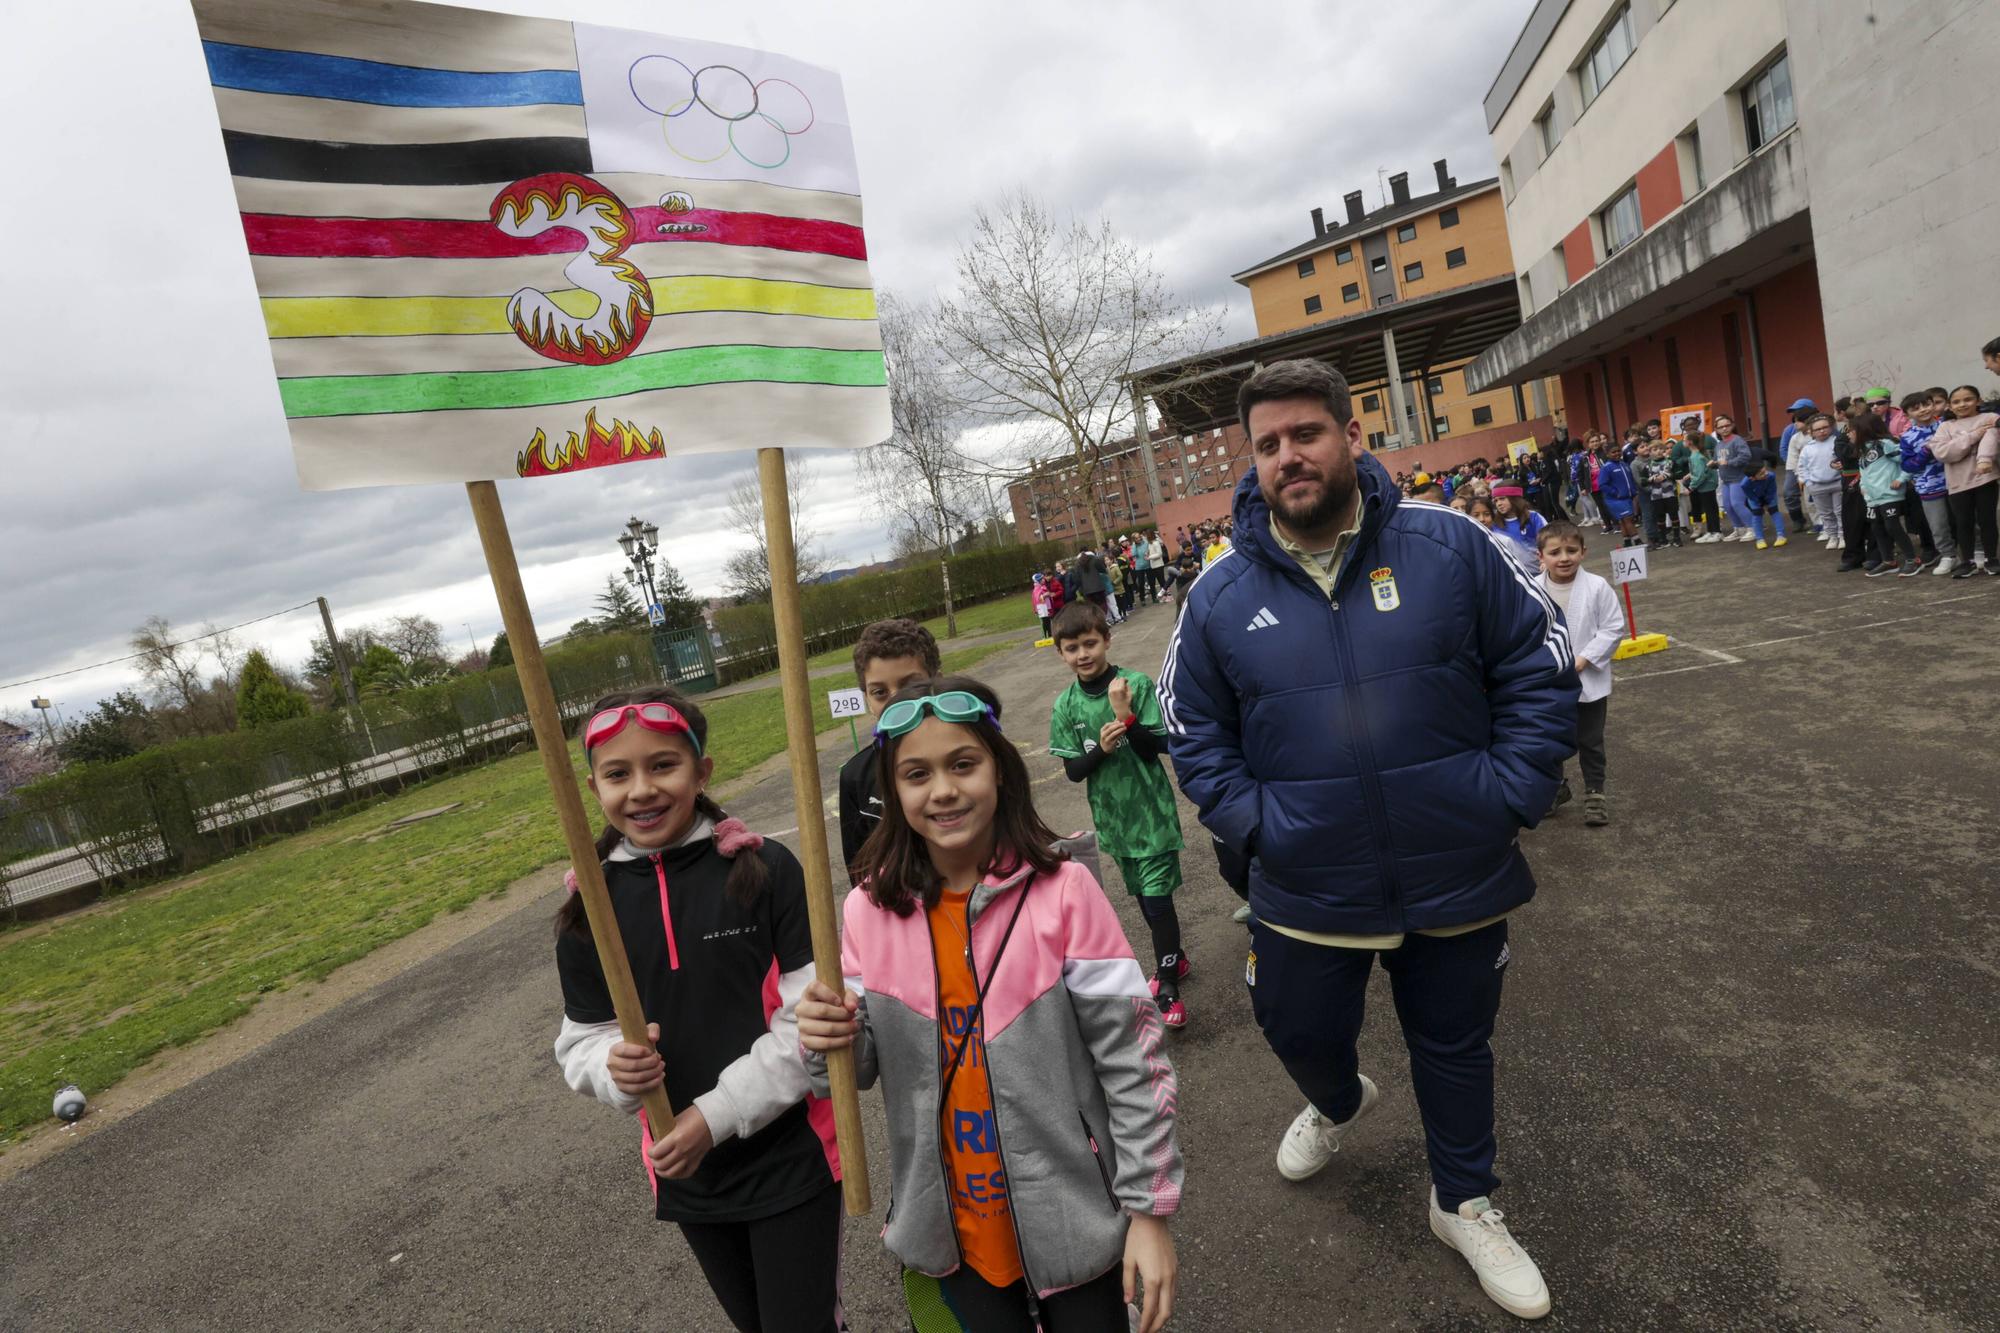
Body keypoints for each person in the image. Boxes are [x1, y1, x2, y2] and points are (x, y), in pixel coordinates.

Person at [1161, 359, 1573, 1321]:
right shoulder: (1218, 596)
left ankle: (1462, 1199)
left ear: (1351, 434)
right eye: (1267, 445)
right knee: (1296, 1024)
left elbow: (1539, 658)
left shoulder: (1451, 542)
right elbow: (1193, 730)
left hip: (1456, 865)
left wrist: (1509, 790)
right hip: (1309, 883)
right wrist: (1263, 827)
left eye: (1305, 433)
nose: (1288, 457)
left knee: (1456, 1044)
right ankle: (1340, 1099)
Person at [796, 677, 1182, 1333]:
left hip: (1078, 1219)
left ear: (1000, 771)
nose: (942, 788)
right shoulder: (866, 909)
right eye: (917, 773)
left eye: (963, 763)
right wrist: (818, 1034)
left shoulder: (1065, 893)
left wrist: (1148, 1210)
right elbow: (850, 1065)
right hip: (948, 1234)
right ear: (894, 792)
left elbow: (1134, 1061)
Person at [553, 688, 844, 1333]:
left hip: (791, 1153)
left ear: (702, 771)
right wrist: (611, 1067)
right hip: (686, 1171)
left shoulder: (765, 868)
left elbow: (809, 1021)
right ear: (593, 787)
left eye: (664, 765)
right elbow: (581, 1040)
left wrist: (714, 1116)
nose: (642, 790)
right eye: (617, 774)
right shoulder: (588, 906)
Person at [1047, 600, 1189, 1027]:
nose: (1083, 654)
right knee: (1145, 900)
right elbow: (1074, 772)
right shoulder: (1066, 706)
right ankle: (1175, 959)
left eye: (1090, 643)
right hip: (1114, 820)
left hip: (1152, 814)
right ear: (1061, 653)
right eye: (1072, 648)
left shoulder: (1135, 685)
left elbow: (1160, 746)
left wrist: (1126, 717)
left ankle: (1168, 989)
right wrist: (1102, 750)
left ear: (1107, 639)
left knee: (1158, 901)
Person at [1533, 523, 1621, 827]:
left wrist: (1583, 659)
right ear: (1540, 556)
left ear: (1583, 552)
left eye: (1571, 550)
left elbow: (1612, 628)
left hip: (1588, 680)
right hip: (1547, 681)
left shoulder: (1596, 587)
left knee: (1590, 740)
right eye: (1554, 552)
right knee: (1549, 739)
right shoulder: (1531, 590)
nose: (1564, 557)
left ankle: (1595, 794)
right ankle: (1557, 788)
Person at [838, 618, 942, 878]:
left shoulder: (973, 754)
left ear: (937, 682)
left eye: (910, 685)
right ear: (867, 698)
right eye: (880, 692)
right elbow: (860, 870)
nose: (896, 701)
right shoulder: (855, 776)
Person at [1931, 385, 2000, 578]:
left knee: (1987, 521)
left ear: (1978, 401)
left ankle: (1991, 559)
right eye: (1956, 401)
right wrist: (1974, 436)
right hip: (1957, 482)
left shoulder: (1990, 419)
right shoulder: (1946, 427)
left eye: (1968, 399)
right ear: (1950, 406)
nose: (1962, 404)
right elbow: (1943, 453)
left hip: (1986, 478)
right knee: (1963, 522)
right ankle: (1967, 561)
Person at [1855, 409, 1921, 577]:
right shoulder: (1862, 451)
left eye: (1852, 430)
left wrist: (1902, 478)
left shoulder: (1886, 444)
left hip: (1890, 494)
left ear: (1865, 430)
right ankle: (1888, 561)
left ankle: (1913, 560)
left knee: (1893, 527)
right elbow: (1864, 472)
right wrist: (1863, 487)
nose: (1849, 434)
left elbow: (1906, 460)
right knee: (1877, 529)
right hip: (1872, 498)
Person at [1896, 391, 1955, 575]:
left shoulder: (1948, 426)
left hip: (1957, 481)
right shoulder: (1907, 437)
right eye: (1916, 408)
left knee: (1968, 520)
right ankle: (1948, 556)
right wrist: (1925, 451)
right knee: (1938, 526)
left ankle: (1978, 552)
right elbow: (1907, 465)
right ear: (1907, 415)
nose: (1923, 410)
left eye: (1927, 404)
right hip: (1928, 487)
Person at [1796, 414, 1844, 551]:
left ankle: (1842, 535)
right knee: (1826, 513)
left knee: (1840, 512)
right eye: (1818, 429)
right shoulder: (1807, 448)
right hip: (1817, 486)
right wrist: (1808, 482)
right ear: (1811, 432)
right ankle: (1832, 536)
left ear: (1831, 427)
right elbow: (1802, 467)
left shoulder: (1837, 442)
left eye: (1825, 427)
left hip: (1837, 483)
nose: (1822, 431)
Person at [1713, 413, 1755, 541]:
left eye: (1727, 425)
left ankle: (1753, 528)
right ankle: (1739, 529)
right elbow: (1718, 460)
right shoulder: (1719, 445)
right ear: (1717, 430)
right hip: (1726, 480)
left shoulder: (1737, 440)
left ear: (1732, 426)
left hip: (1738, 478)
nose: (1724, 429)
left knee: (1737, 503)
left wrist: (1729, 462)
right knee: (1727, 505)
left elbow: (1746, 456)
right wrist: (1712, 463)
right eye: (1721, 427)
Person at [1739, 440, 1788, 549]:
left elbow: (1771, 491)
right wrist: (1759, 503)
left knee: (1774, 512)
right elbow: (1750, 495)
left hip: (1769, 496)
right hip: (1755, 498)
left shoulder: (1770, 476)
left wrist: (1767, 502)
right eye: (1761, 474)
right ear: (1752, 478)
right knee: (1757, 515)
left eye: (1764, 470)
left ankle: (1781, 536)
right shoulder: (1745, 484)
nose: (1765, 473)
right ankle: (1759, 539)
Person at [1491, 485, 1547, 568]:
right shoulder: (1494, 523)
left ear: (1515, 499)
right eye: (1495, 501)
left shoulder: (1534, 517)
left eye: (1502, 498)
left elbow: (1548, 541)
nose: (1498, 504)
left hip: (1538, 570)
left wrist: (1545, 561)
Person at [1599, 439, 1640, 547]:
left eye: (1618, 451)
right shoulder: (1606, 468)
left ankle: (1627, 541)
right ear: (1607, 454)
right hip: (1616, 499)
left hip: (1628, 497)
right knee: (1628, 519)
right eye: (1613, 452)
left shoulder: (1624, 464)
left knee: (1623, 520)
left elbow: (1630, 479)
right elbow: (1602, 485)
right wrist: (1615, 493)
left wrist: (1633, 491)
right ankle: (1637, 540)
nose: (1617, 453)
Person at [1685, 428, 1723, 542]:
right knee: (1709, 509)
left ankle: (1716, 532)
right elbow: (1700, 471)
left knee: (1710, 509)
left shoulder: (1696, 456)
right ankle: (1711, 531)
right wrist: (1690, 475)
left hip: (1706, 486)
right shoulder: (1698, 454)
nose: (1683, 442)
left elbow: (1700, 474)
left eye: (1684, 440)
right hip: (1706, 486)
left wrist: (1691, 487)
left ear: (1690, 442)